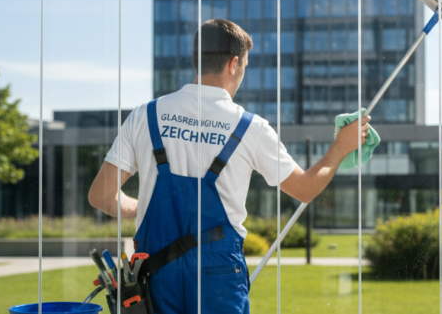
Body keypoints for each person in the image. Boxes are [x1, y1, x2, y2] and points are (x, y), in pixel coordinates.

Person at [88, 19, 371, 313]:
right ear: (234, 63)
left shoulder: (144, 116)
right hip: (219, 278)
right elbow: (306, 188)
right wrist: (342, 146)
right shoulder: (250, 128)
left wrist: (140, 207)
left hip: (155, 276)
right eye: (245, 66)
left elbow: (101, 197)